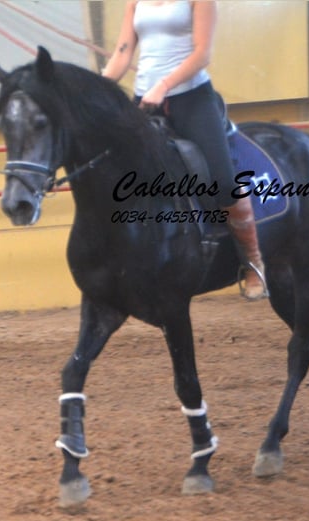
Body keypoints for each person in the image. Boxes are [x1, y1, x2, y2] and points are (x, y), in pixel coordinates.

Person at [102, 0, 268, 300]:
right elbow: (122, 53)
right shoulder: (135, 2)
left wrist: (163, 85)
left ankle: (252, 262)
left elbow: (202, 54)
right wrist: (94, 88)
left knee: (223, 181)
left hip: (191, 99)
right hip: (144, 100)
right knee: (116, 175)